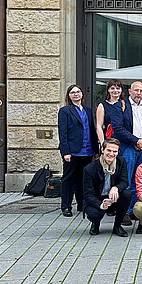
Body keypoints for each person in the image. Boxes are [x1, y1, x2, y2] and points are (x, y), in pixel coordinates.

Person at [109, 80, 142, 217]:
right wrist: (135, 141)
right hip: (128, 148)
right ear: (130, 92)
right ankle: (123, 212)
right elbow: (118, 128)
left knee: (138, 180)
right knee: (125, 180)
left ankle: (133, 210)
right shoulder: (119, 106)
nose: (139, 93)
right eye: (136, 90)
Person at [58, 84, 98, 217]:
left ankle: (82, 204)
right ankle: (66, 206)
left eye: (78, 92)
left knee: (84, 179)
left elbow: (92, 130)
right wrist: (66, 152)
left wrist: (95, 149)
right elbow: (62, 133)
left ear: (82, 94)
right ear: (69, 96)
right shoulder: (65, 111)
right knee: (69, 179)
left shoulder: (87, 110)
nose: (76, 94)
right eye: (73, 92)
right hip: (73, 151)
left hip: (87, 151)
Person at [83, 138, 130, 236]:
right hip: (97, 198)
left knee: (127, 194)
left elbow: (124, 181)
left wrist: (116, 188)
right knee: (95, 214)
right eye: (109, 150)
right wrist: (101, 205)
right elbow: (88, 194)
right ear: (102, 150)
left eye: (115, 151)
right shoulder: (89, 169)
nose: (111, 154)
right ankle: (95, 224)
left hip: (113, 196)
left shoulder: (121, 162)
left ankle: (117, 226)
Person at [94, 80, 125, 147]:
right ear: (108, 90)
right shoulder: (102, 105)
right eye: (112, 88)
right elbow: (99, 126)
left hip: (124, 139)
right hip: (109, 138)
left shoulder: (125, 104)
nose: (115, 91)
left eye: (118, 88)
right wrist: (103, 144)